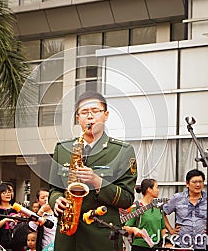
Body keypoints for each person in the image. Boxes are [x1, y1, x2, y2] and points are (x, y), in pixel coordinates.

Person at [49, 91, 137, 251]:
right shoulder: (62, 149)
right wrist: (56, 201)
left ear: (106, 115)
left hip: (101, 238)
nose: (90, 116)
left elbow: (127, 198)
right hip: (67, 237)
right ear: (78, 118)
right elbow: (54, 189)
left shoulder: (123, 151)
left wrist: (98, 182)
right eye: (84, 112)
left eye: (95, 111)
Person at [163, 169, 208, 250]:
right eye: (194, 182)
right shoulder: (177, 198)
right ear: (187, 183)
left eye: (200, 182)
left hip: (201, 245)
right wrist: (170, 230)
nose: (198, 184)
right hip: (181, 245)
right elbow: (162, 213)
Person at [124, 179, 166, 251]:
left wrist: (164, 242)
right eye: (156, 187)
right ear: (149, 189)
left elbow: (163, 228)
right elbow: (126, 227)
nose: (158, 190)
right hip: (140, 246)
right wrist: (134, 229)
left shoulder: (159, 207)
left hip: (156, 247)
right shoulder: (137, 207)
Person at [0, 183, 20, 250]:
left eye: (9, 192)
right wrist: (5, 220)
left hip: (16, 244)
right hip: (1, 244)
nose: (8, 194)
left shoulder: (16, 209)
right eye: (4, 193)